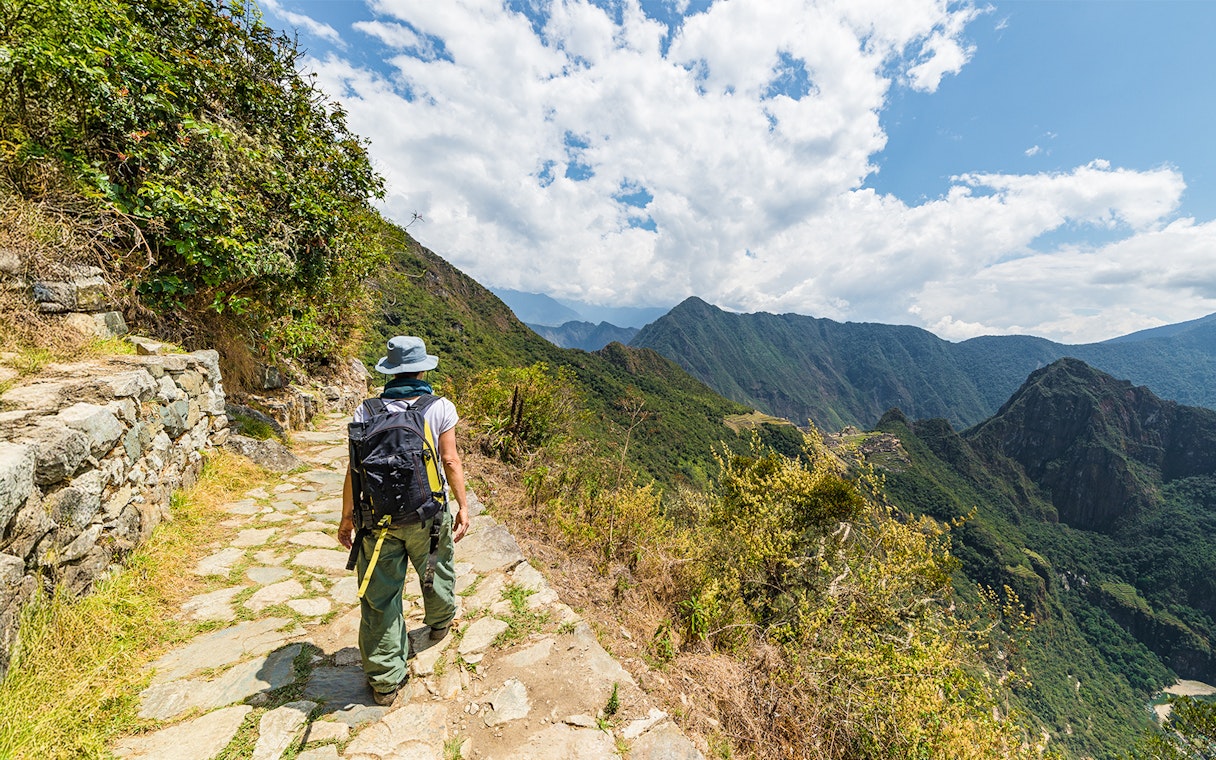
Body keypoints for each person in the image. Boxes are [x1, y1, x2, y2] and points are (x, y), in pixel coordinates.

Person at [339, 335, 471, 706]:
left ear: (389, 370)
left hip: (377, 520)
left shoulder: (366, 411)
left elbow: (353, 470)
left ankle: (384, 681)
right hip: (428, 514)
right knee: (436, 567)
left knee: (380, 598)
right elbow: (451, 461)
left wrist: (347, 518)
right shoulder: (440, 406)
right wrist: (462, 505)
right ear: (424, 367)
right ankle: (439, 621)